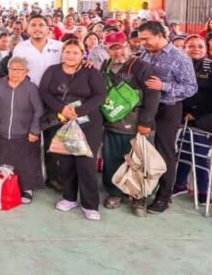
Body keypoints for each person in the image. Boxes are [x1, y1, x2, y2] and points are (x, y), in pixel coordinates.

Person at [39, 39, 107, 220]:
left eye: (76, 52)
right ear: (62, 52)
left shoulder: (90, 71)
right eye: (67, 51)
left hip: (87, 121)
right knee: (66, 161)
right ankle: (69, 197)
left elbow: (100, 94)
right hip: (62, 119)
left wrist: (78, 111)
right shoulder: (52, 71)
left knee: (86, 162)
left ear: (82, 54)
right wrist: (62, 109)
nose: (71, 55)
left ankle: (90, 204)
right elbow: (44, 92)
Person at [137, 21, 198, 213]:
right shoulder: (146, 53)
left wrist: (163, 86)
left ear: (160, 35)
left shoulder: (179, 57)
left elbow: (191, 87)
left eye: (146, 39)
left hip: (167, 109)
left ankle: (164, 196)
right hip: (145, 107)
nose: (143, 43)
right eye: (141, 39)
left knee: (165, 152)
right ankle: (139, 190)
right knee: (142, 150)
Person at [99, 31, 158, 210]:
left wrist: (146, 123)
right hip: (113, 124)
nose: (119, 52)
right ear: (107, 50)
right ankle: (114, 192)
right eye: (113, 48)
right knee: (113, 159)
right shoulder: (104, 65)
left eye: (122, 47)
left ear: (129, 46)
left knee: (139, 161)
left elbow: (153, 95)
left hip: (137, 124)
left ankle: (139, 197)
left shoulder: (142, 67)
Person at [12, 14, 64, 188]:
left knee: (52, 138)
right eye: (33, 25)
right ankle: (29, 177)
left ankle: (53, 177)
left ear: (48, 27)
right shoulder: (21, 47)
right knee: (30, 138)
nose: (37, 28)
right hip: (29, 98)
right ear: (28, 28)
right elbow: (16, 72)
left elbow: (72, 64)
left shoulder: (59, 46)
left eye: (41, 24)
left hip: (54, 99)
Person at [0, 56, 43, 204]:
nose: (15, 72)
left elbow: (38, 110)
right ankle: (6, 186)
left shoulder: (31, 88)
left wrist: (34, 131)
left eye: (19, 69)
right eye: (12, 69)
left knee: (26, 162)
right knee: (5, 161)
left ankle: (27, 189)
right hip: (2, 132)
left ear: (26, 71)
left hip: (25, 134)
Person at [175, 35, 212, 205]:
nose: (196, 49)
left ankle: (203, 190)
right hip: (182, 117)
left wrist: (197, 113)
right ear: (184, 48)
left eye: (200, 46)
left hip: (205, 118)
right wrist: (184, 112)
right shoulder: (179, 66)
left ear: (206, 49)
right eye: (191, 46)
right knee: (183, 150)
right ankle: (180, 184)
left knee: (200, 154)